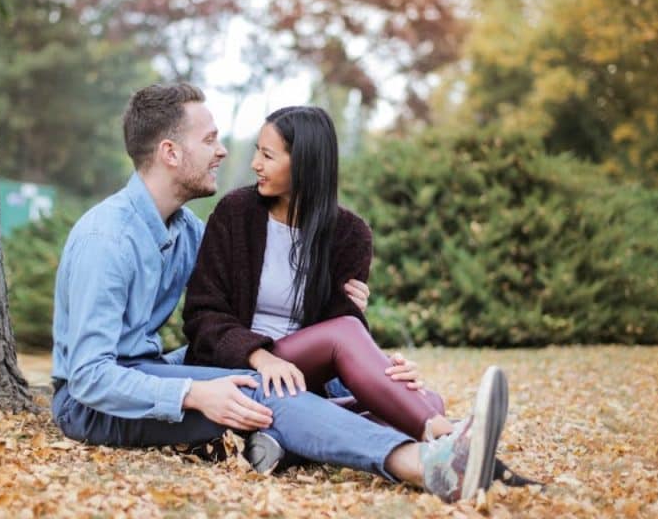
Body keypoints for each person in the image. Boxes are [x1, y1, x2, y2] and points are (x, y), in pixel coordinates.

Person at [50, 83, 510, 503]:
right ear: (170, 152)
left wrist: (363, 341)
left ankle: (426, 430)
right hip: (91, 405)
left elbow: (234, 293)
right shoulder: (107, 240)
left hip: (149, 369)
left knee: (267, 387)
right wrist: (192, 394)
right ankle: (424, 463)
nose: (224, 152)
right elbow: (90, 376)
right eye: (209, 140)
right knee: (259, 388)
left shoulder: (185, 231)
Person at [182, 106, 531, 484]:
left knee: (421, 397)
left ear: (306, 163)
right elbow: (203, 314)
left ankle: (280, 444)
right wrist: (261, 356)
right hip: (239, 367)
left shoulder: (349, 234)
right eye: (257, 151)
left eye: (267, 155)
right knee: (389, 379)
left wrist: (387, 372)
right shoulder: (236, 213)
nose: (254, 164)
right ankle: (448, 437)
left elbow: (342, 330)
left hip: (303, 380)